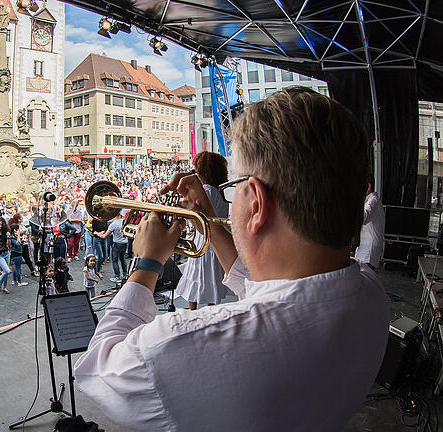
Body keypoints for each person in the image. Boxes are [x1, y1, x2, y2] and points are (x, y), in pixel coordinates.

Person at [74, 87, 389, 431]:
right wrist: (208, 218)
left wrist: (147, 264)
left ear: (255, 201)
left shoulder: (177, 345)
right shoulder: (371, 292)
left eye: (236, 185)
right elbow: (263, 292)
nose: (231, 196)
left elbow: (98, 369)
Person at [175, 151, 230, 310]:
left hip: (203, 239)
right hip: (217, 240)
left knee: (196, 275)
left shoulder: (205, 190)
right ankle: (209, 309)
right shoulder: (220, 191)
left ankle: (193, 310)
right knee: (209, 277)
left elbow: (194, 213)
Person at [355, 176, 385, 271]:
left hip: (369, 252)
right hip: (365, 249)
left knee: (365, 280)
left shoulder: (373, 201)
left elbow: (363, 217)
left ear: (368, 186)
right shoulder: (369, 201)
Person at [95, 211, 127, 283]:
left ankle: (117, 276)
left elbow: (104, 236)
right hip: (125, 243)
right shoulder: (124, 221)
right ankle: (125, 275)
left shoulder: (113, 224)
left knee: (114, 260)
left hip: (117, 243)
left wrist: (97, 233)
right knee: (123, 259)